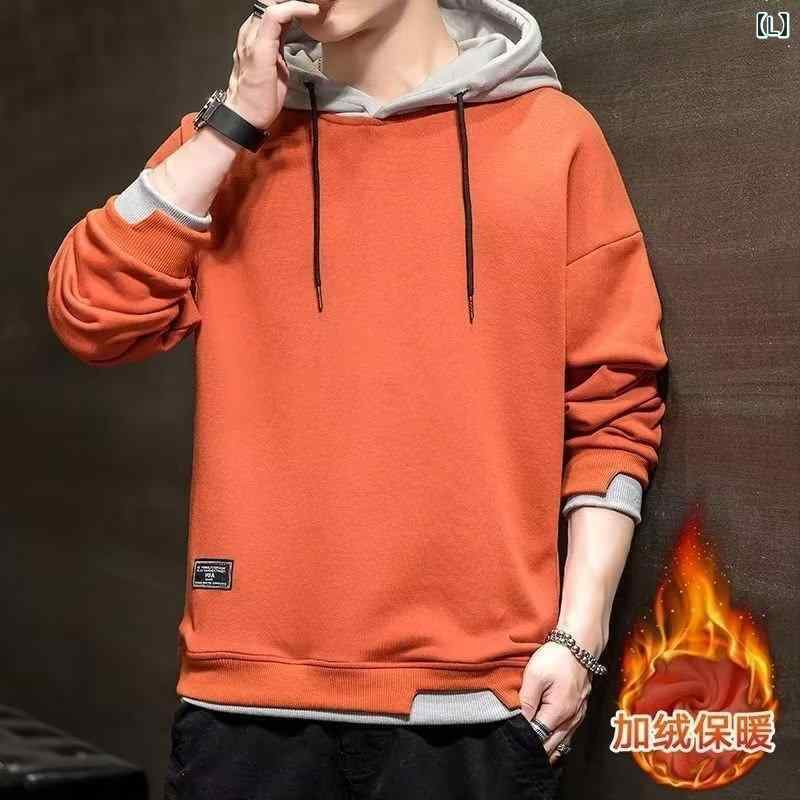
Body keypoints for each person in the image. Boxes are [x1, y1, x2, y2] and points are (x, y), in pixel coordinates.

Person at [46, 0, 669, 797]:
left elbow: (615, 408)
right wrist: (231, 124)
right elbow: (90, 314)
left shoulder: (554, 139)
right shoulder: (230, 146)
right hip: (245, 704)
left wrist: (580, 634)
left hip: (476, 708)